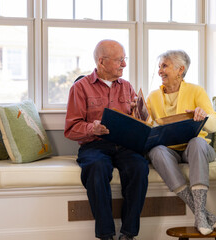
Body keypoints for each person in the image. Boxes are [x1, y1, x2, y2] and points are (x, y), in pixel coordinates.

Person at [64, 39, 149, 240]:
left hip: (124, 145)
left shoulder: (127, 87)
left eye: (124, 59)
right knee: (96, 167)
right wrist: (93, 128)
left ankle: (128, 234)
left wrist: (141, 113)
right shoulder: (80, 88)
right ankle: (105, 234)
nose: (124, 65)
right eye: (120, 60)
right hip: (95, 145)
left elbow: (138, 122)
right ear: (101, 62)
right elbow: (71, 128)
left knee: (139, 167)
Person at [146, 50, 216, 235]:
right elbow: (147, 128)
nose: (160, 71)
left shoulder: (196, 90)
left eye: (165, 66)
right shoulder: (153, 97)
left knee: (196, 142)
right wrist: (137, 114)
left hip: (197, 149)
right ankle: (201, 214)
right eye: (159, 67)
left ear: (181, 69)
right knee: (156, 151)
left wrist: (204, 117)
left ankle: (200, 214)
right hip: (170, 151)